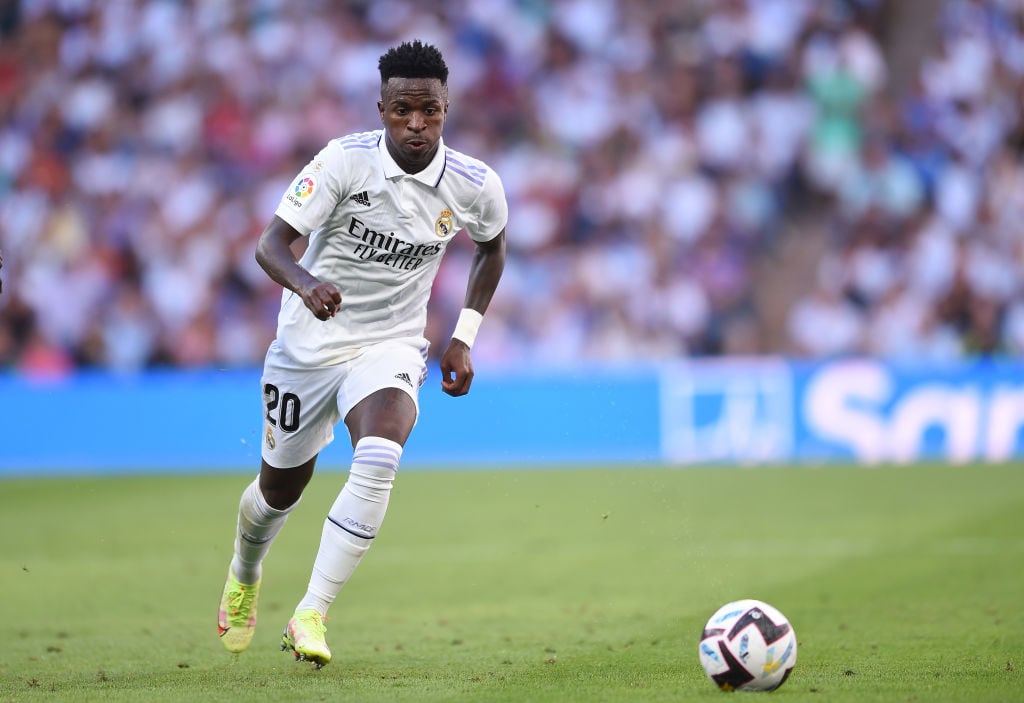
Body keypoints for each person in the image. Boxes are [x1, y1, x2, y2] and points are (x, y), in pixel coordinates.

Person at [216, 40, 507, 668]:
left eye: (429, 110)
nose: (417, 124)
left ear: (446, 107)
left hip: (391, 344)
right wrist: (306, 283)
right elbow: (271, 245)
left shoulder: (474, 184)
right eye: (403, 109)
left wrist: (464, 335)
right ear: (382, 108)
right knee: (277, 493)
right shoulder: (344, 163)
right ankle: (245, 570)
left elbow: (492, 247)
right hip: (307, 346)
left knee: (379, 454)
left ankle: (311, 613)